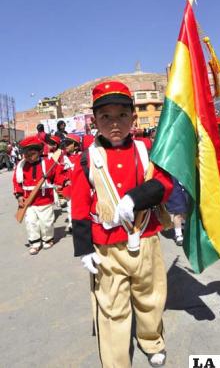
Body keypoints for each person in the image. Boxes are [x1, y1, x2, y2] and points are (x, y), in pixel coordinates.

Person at [71, 81, 173, 368]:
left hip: (145, 238)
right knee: (111, 307)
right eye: (105, 117)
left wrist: (135, 198)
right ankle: (116, 362)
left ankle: (152, 340)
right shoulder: (85, 158)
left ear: (133, 118)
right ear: (94, 121)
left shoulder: (147, 148)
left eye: (121, 116)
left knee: (150, 297)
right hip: (105, 247)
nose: (114, 124)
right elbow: (78, 205)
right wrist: (83, 249)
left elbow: (164, 183)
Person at [13, 136, 64, 255]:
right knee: (31, 222)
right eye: (26, 154)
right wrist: (19, 196)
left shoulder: (48, 163)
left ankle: (47, 239)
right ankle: (34, 242)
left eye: (32, 154)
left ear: (39, 152)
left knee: (46, 222)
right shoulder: (21, 166)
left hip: (45, 199)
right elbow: (16, 182)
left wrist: (61, 183)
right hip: (28, 201)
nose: (29, 157)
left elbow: (57, 174)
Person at [61, 133, 81, 233]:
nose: (66, 146)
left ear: (76, 146)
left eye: (69, 144)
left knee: (81, 206)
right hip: (70, 188)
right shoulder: (63, 158)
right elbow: (58, 173)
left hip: (81, 187)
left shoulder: (82, 157)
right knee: (70, 206)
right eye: (65, 143)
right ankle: (72, 224)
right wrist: (64, 180)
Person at [165, 177, 188, 246]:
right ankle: (178, 235)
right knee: (177, 211)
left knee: (187, 211)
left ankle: (183, 227)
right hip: (175, 188)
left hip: (186, 185)